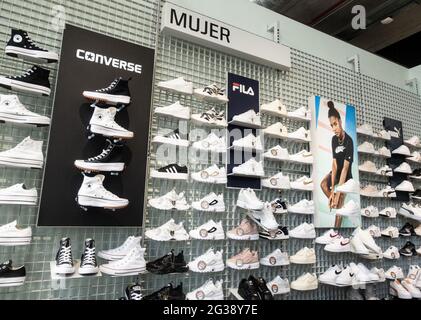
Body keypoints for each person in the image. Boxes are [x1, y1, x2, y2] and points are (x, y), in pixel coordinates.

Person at [320, 101, 354, 228]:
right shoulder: (334, 139)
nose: (334, 128)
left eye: (335, 124)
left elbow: (345, 169)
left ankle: (336, 231)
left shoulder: (349, 141)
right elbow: (334, 165)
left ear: (340, 121)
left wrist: (338, 193)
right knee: (323, 184)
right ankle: (335, 202)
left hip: (346, 177)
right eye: (331, 125)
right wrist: (332, 195)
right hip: (337, 173)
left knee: (339, 203)